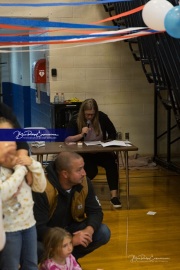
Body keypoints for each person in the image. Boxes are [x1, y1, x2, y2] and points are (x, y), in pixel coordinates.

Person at [33, 151, 110, 263]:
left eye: (83, 168)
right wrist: (70, 241)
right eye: (79, 170)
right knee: (36, 248)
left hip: (71, 229)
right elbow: (38, 229)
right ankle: (54, 262)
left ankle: (70, 260)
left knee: (103, 232)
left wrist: (88, 231)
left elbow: (96, 212)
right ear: (65, 174)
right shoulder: (42, 189)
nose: (84, 173)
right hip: (48, 235)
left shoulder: (85, 183)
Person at [0, 117, 47, 269]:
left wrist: (33, 165)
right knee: (11, 266)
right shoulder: (9, 169)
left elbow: (40, 188)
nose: (11, 143)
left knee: (31, 264)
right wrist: (20, 170)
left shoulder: (20, 162)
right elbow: (3, 193)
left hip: (29, 225)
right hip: (8, 229)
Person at [65, 98, 121, 208]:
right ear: (83, 113)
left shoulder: (102, 117)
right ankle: (80, 194)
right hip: (84, 153)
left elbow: (112, 133)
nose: (90, 117)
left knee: (111, 163)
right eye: (87, 114)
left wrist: (107, 144)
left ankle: (114, 196)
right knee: (91, 171)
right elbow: (67, 139)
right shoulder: (76, 119)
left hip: (100, 150)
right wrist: (81, 134)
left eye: (92, 114)